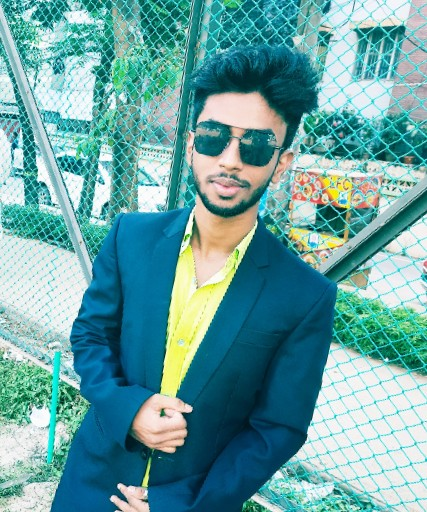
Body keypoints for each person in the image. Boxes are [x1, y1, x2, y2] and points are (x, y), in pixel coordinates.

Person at [51, 44, 337, 512]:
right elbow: (92, 336)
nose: (230, 160)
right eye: (213, 137)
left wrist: (182, 505)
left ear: (281, 163)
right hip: (92, 483)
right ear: (190, 145)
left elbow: (278, 428)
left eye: (255, 145)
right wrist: (129, 409)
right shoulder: (130, 238)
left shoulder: (305, 296)